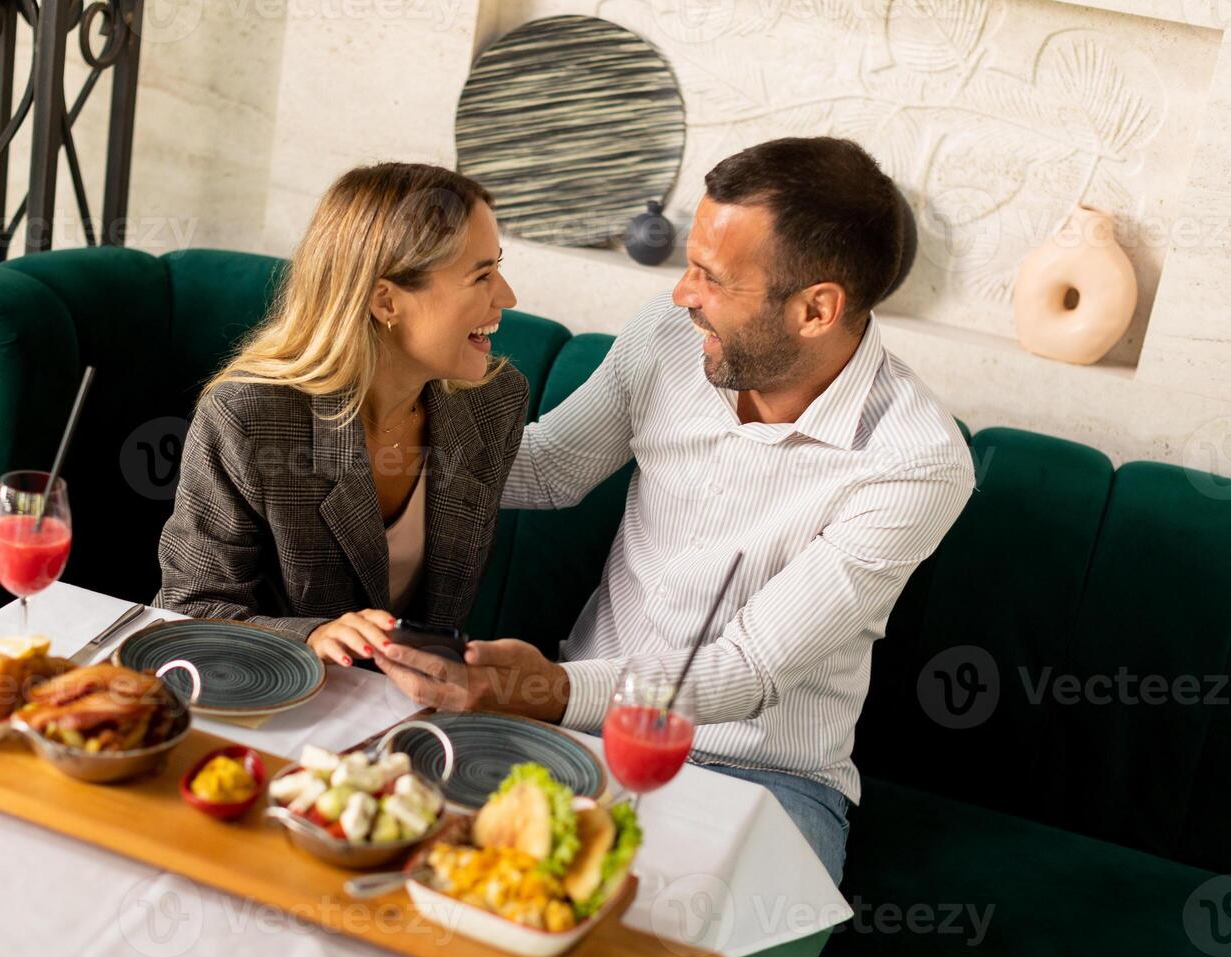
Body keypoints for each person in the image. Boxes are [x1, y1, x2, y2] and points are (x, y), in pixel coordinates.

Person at [372, 137, 975, 884]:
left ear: (817, 309)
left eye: (713, 277)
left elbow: (749, 667)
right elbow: (553, 466)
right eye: (689, 263)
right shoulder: (670, 333)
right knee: (411, 878)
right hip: (580, 734)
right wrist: (378, 442)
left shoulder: (914, 462)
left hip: (764, 775)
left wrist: (547, 689)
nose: (683, 292)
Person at [156, 162, 526, 667]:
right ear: (386, 300)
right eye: (481, 275)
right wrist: (309, 637)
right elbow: (188, 609)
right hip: (266, 704)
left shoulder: (493, 402)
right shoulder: (248, 418)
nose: (507, 296)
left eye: (497, 267)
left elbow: (442, 626)